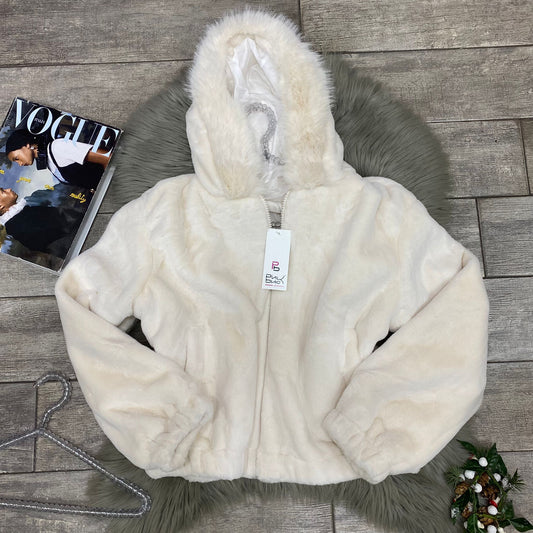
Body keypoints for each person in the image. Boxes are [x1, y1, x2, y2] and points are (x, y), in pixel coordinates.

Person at [5, 129, 110, 190]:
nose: (19, 164)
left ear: (26, 145)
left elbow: (106, 157)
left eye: (16, 158)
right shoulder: (49, 162)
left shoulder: (57, 147)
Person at [0, 186, 85, 258]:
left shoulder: (24, 212)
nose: (9, 189)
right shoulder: (19, 224)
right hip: (80, 242)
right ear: (1, 206)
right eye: (3, 191)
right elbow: (62, 224)